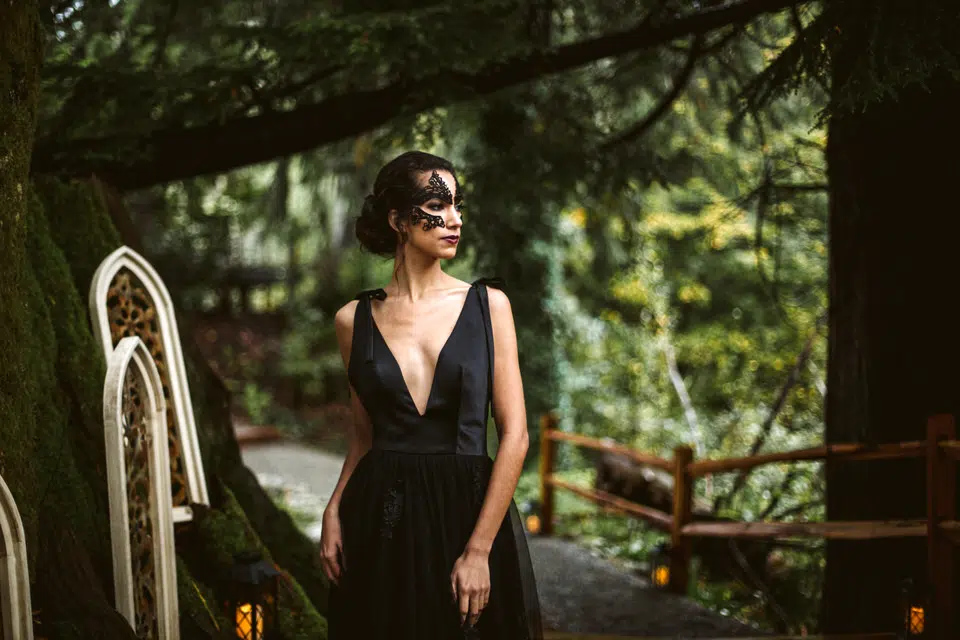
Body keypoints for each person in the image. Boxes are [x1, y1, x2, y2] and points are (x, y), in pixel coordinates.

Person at [320, 150, 544, 639]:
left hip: (468, 513)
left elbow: (516, 436)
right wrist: (334, 509)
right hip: (382, 520)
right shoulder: (351, 321)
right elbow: (363, 440)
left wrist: (480, 549)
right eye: (436, 205)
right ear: (398, 218)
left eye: (457, 205)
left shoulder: (489, 307)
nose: (455, 219)